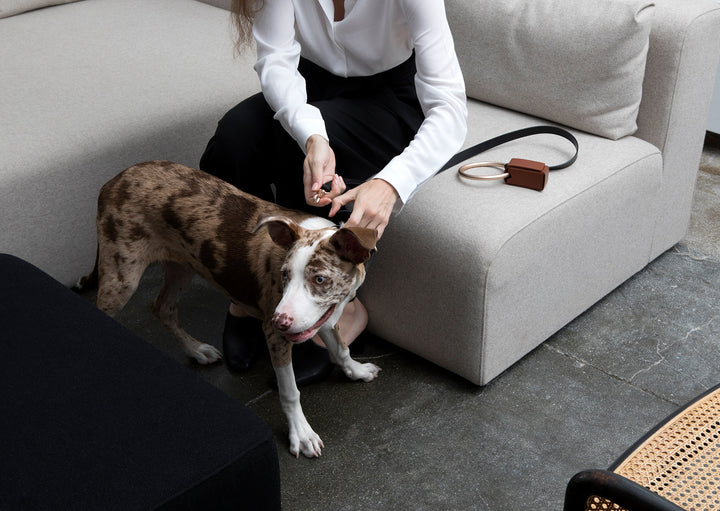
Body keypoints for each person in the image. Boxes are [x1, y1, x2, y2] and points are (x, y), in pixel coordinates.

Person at [199, 0, 467, 385]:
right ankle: (252, 296)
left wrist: (390, 184)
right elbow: (275, 58)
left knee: (297, 151)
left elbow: (450, 107)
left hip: (390, 101)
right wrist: (312, 135)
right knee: (233, 141)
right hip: (313, 88)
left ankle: (350, 308)